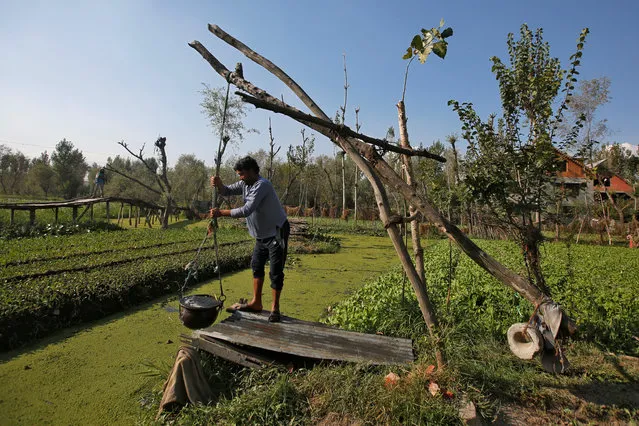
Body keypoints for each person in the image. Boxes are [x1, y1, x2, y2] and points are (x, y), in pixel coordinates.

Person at [210, 156, 289, 323]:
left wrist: (221, 213)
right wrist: (219, 184)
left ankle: (275, 308)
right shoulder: (245, 183)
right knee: (256, 265)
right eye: (238, 175)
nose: (240, 177)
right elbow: (226, 191)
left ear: (253, 171)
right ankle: (256, 303)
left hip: (276, 232)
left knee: (275, 271)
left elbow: (247, 210)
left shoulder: (262, 185)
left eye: (242, 174)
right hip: (261, 235)